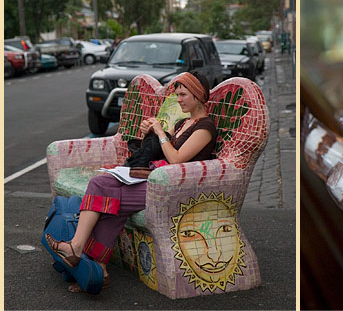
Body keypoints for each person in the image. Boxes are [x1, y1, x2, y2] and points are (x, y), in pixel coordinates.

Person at [45, 71, 217, 293]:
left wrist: (160, 132)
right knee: (104, 185)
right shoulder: (185, 122)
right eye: (177, 95)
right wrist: (151, 133)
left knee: (104, 196)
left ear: (198, 95)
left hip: (173, 188)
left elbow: (175, 159)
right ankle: (98, 269)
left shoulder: (205, 128)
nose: (179, 99)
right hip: (156, 178)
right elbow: (162, 149)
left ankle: (79, 251)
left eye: (183, 94)